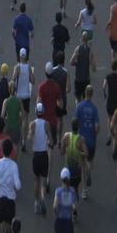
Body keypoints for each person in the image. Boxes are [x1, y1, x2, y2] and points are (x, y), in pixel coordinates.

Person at [38, 62, 63, 192]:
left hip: (43, 122)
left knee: (42, 148)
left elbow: (38, 102)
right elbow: (60, 104)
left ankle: (42, 175)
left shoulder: (41, 87)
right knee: (50, 148)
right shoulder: (56, 87)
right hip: (52, 121)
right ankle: (48, 177)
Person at [73, 85, 99, 200]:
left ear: (84, 93)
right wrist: (95, 134)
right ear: (92, 94)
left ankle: (84, 190)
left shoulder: (79, 106)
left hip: (82, 140)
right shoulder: (94, 108)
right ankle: (89, 170)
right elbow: (98, 125)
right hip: (91, 140)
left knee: (82, 163)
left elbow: (75, 121)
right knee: (90, 160)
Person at [52, 168, 78, 233]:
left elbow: (54, 206)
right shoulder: (72, 191)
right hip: (68, 222)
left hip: (59, 221)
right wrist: (72, 209)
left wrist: (55, 212)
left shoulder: (58, 191)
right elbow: (75, 207)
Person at [28, 103, 52, 214]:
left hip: (36, 155)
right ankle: (42, 197)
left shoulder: (32, 124)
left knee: (36, 179)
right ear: (43, 112)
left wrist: (31, 136)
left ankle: (36, 202)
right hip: (44, 154)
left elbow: (29, 137)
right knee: (43, 180)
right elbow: (51, 140)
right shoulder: (47, 124)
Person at [13, 48, 34, 151]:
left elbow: (13, 79)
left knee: (19, 118)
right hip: (26, 96)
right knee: (26, 119)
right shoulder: (28, 67)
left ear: (20, 56)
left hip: (18, 96)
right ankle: (24, 142)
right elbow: (33, 81)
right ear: (26, 56)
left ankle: (18, 137)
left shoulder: (17, 67)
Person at [61, 118, 88, 198]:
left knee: (65, 188)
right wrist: (79, 153)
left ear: (71, 126)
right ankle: (75, 207)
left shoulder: (66, 136)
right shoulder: (81, 139)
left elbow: (62, 152)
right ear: (78, 127)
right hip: (77, 171)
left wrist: (67, 150)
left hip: (67, 170)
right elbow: (86, 154)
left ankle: (66, 205)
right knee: (75, 189)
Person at [70, 31, 96, 103]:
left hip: (78, 78)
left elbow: (71, 62)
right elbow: (94, 68)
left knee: (77, 98)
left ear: (81, 39)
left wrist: (77, 63)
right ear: (88, 40)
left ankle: (78, 111)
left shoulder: (78, 49)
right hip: (86, 79)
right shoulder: (90, 51)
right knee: (85, 98)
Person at [103, 60, 117, 146]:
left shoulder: (108, 77)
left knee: (109, 119)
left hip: (110, 101)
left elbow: (103, 86)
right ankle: (114, 136)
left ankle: (109, 134)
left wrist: (105, 94)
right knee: (116, 120)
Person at [2, 81, 22, 148]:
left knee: (7, 147)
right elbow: (23, 114)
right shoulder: (19, 101)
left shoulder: (6, 101)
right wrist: (20, 121)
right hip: (16, 126)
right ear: (15, 89)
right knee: (16, 146)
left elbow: (2, 115)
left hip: (8, 126)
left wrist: (5, 121)